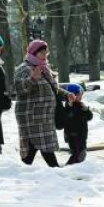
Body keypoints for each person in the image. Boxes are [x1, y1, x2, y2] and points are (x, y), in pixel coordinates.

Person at [13, 39, 63, 167]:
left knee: (36, 147)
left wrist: (67, 94)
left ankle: (24, 171)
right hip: (32, 118)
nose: (45, 54)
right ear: (33, 53)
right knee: (42, 147)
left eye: (46, 52)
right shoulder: (23, 69)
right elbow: (19, 89)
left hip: (44, 117)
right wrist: (32, 79)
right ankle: (56, 171)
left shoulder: (45, 68)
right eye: (42, 52)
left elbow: (52, 87)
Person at [60, 82, 93, 165]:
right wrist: (71, 106)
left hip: (82, 135)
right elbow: (69, 118)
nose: (81, 97)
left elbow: (89, 117)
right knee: (79, 154)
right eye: (79, 95)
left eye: (81, 95)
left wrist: (87, 110)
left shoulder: (81, 105)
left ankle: (72, 169)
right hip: (73, 135)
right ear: (72, 95)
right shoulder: (68, 107)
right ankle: (68, 168)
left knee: (80, 154)